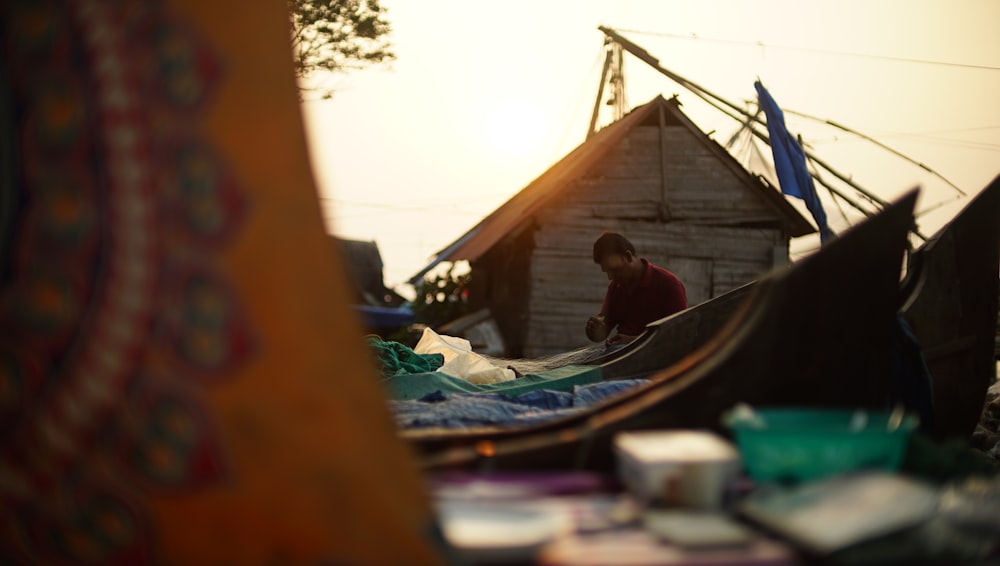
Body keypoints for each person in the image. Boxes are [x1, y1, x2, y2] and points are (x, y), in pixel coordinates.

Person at [585, 232, 688, 347]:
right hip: (622, 356)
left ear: (628, 257)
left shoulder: (668, 284)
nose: (610, 277)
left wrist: (633, 341)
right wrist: (594, 330)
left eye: (614, 270)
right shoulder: (616, 286)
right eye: (607, 272)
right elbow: (602, 331)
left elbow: (680, 334)